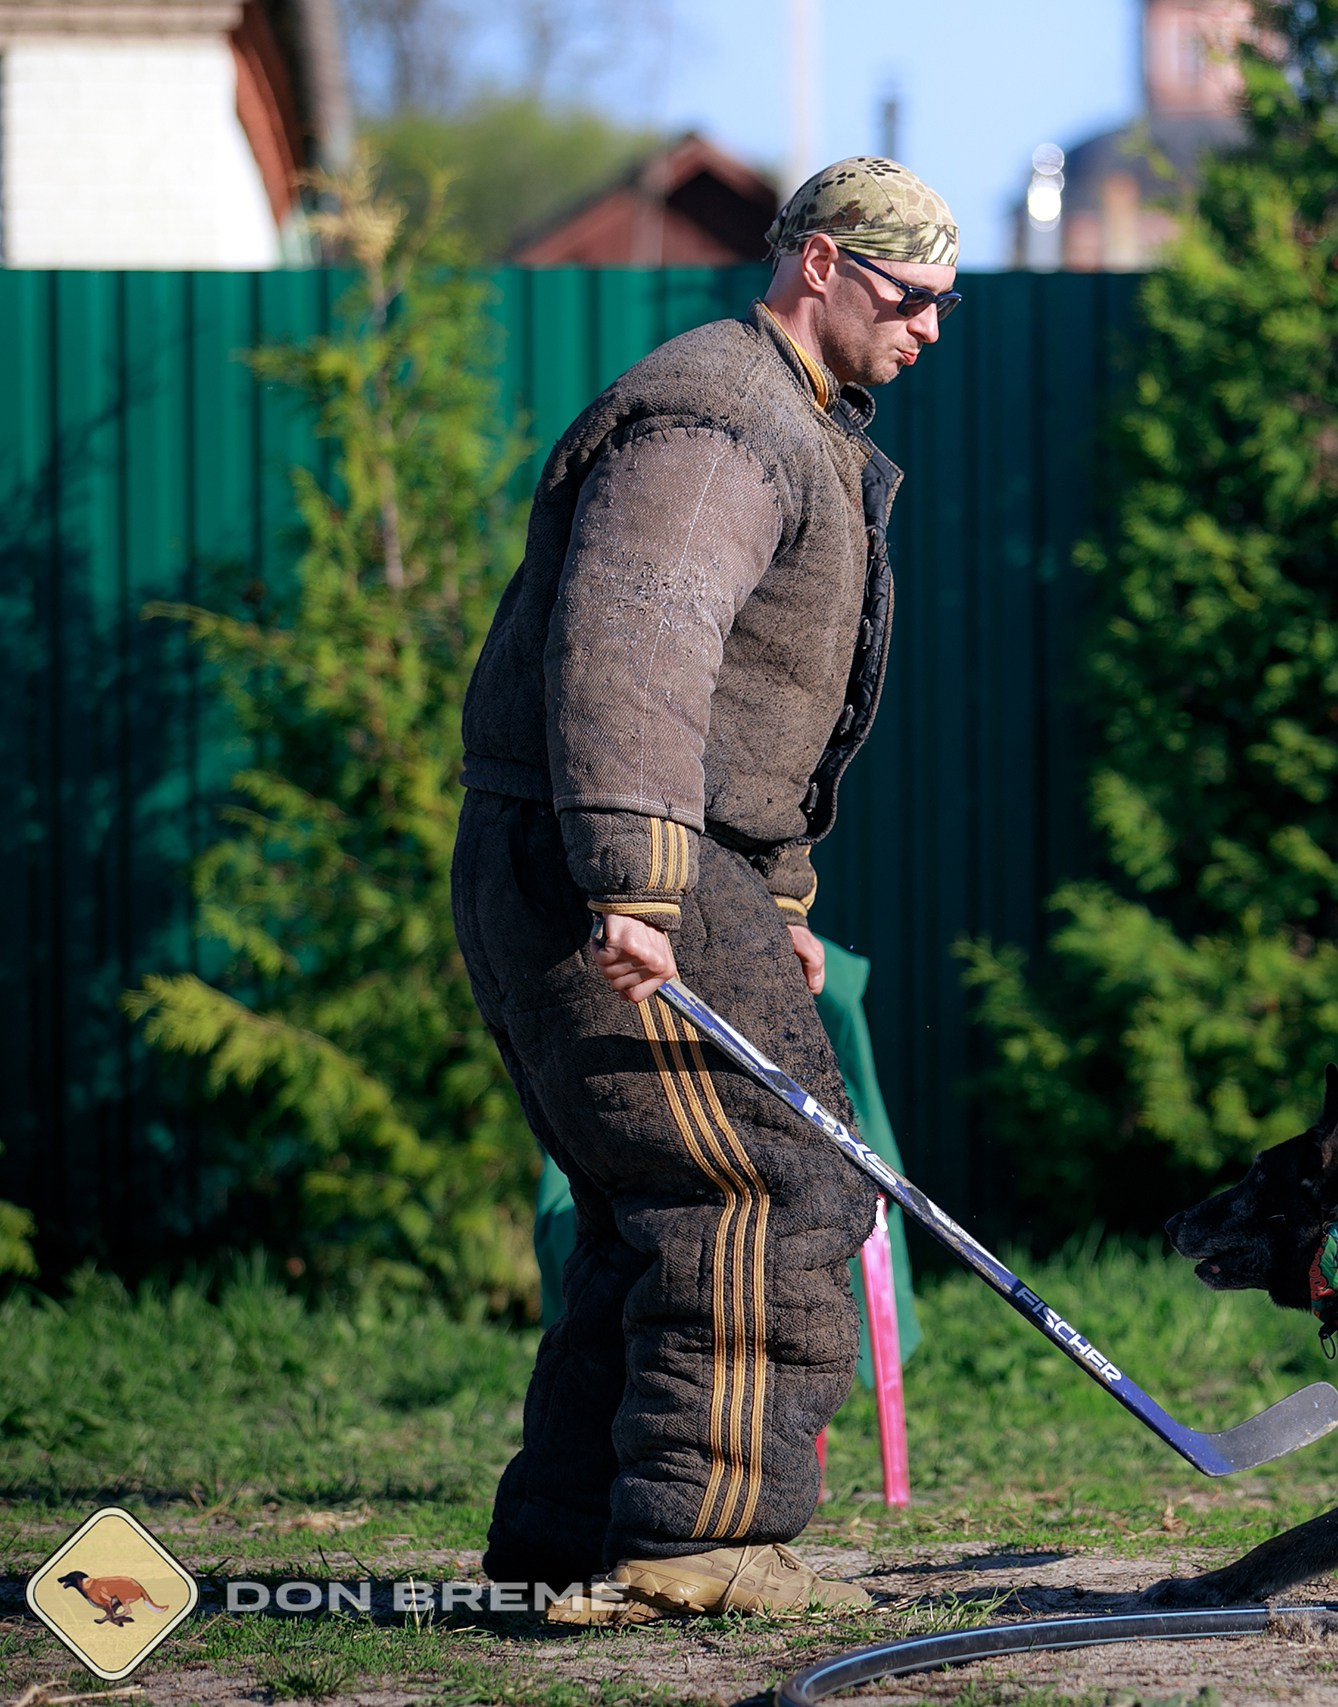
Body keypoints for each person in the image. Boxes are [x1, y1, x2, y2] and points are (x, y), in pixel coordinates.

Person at [449, 157, 961, 1624]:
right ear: (818, 265)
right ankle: (704, 1539)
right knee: (775, 1179)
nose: (930, 328)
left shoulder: (793, 421)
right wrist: (635, 880)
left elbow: (767, 705)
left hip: (661, 856)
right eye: (911, 296)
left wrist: (779, 902)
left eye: (947, 302)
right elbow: (635, 649)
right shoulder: (718, 418)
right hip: (602, 856)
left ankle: (572, 1534)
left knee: (659, 1198)